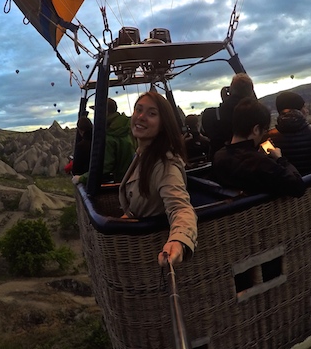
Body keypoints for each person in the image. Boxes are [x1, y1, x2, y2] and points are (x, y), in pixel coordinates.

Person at [119, 91, 198, 267]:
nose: (141, 117)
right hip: (137, 254)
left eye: (151, 113)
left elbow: (181, 208)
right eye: (138, 110)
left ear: (163, 124)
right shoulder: (144, 155)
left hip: (150, 258)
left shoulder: (164, 165)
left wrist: (178, 241)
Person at [211, 98, 305, 197]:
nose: (264, 134)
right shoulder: (259, 162)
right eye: (264, 130)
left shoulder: (218, 156)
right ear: (256, 129)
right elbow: (298, 187)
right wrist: (280, 159)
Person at [267, 91, 311, 175]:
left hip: (291, 185)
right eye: (303, 107)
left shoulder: (270, 138)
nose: (307, 110)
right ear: (297, 111)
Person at [202, 73, 257, 158]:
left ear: (230, 90)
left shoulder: (210, 114)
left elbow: (209, 134)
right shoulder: (254, 114)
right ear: (250, 93)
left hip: (221, 163)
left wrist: (225, 101)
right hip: (249, 159)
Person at [103, 98, 136, 182]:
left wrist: (83, 178)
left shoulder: (110, 134)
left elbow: (106, 167)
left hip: (122, 182)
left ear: (105, 112)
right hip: (139, 178)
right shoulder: (130, 126)